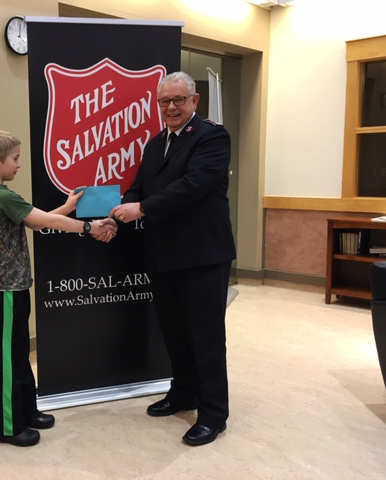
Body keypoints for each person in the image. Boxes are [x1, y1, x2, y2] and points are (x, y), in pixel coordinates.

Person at [110, 71, 236, 446]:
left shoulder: (213, 137)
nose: (171, 107)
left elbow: (192, 186)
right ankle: (183, 392)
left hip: (202, 256)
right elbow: (138, 186)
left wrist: (142, 209)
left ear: (194, 101)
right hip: (164, 255)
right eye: (164, 101)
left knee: (206, 337)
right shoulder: (154, 144)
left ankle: (214, 413)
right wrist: (115, 210)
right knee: (175, 333)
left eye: (178, 100)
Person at [0, 129, 116, 447]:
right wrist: (89, 227)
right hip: (4, 290)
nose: (18, 165)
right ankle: (7, 427)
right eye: (15, 159)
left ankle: (26, 410)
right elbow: (46, 223)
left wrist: (67, 207)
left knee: (19, 354)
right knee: (8, 361)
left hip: (15, 287)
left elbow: (38, 220)